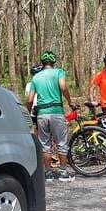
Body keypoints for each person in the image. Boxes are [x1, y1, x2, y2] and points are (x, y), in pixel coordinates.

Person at [27, 50, 77, 183]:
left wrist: (27, 112)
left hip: (42, 114)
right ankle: (62, 172)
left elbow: (30, 99)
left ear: (42, 63)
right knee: (61, 142)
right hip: (56, 112)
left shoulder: (36, 77)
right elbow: (63, 86)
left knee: (45, 144)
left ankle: (48, 173)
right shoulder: (58, 72)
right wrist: (70, 101)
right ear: (53, 63)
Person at [23, 63, 42, 131]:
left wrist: (27, 112)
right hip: (40, 111)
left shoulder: (29, 85)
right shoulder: (45, 83)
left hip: (34, 111)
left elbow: (28, 100)